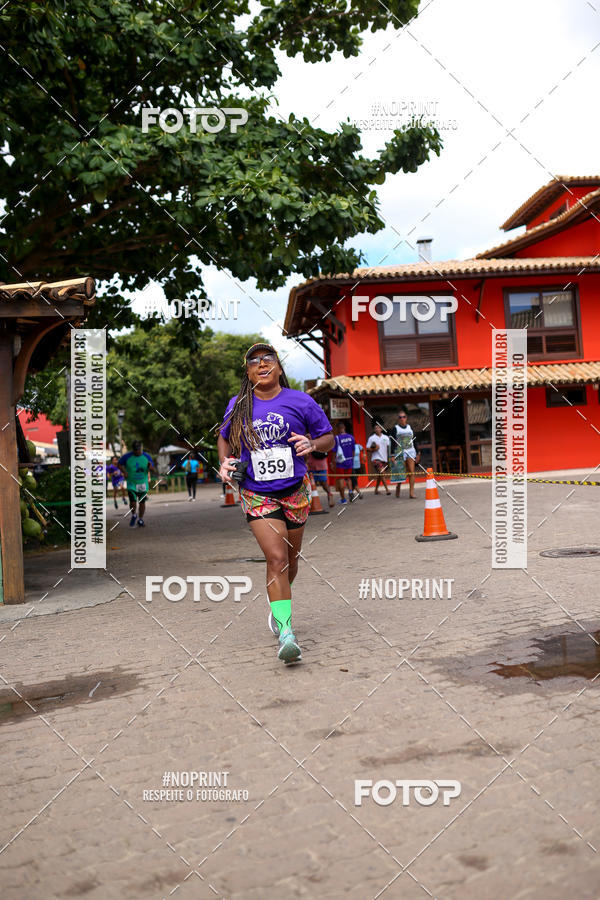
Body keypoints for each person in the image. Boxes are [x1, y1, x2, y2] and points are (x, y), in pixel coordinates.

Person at [218, 342, 334, 664]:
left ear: (279, 367)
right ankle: (286, 632)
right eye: (253, 361)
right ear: (248, 372)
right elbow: (224, 436)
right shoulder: (239, 404)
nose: (261, 363)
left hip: (295, 490)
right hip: (257, 492)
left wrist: (311, 443)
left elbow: (328, 437)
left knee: (291, 561)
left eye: (268, 358)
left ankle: (276, 603)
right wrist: (225, 462)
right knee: (276, 558)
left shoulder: (301, 401)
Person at [119, 441, 156, 527]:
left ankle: (140, 519)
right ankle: (134, 515)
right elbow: (119, 464)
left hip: (143, 483)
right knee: (132, 501)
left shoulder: (146, 456)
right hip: (131, 483)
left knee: (142, 502)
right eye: (135, 450)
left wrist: (151, 467)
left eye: (138, 450)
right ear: (133, 449)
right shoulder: (127, 456)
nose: (137, 452)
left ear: (141, 448)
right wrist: (124, 472)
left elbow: (152, 468)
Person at [391, 410, 418, 499]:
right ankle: (398, 486)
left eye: (404, 417)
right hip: (400, 452)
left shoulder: (410, 427)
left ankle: (411, 493)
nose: (402, 419)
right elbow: (392, 442)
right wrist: (392, 455)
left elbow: (414, 440)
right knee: (402, 472)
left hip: (410, 451)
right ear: (398, 419)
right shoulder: (395, 428)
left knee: (411, 472)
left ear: (406, 418)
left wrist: (418, 452)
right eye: (400, 417)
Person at [333, 421, 355, 504]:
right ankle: (350, 491)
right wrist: (351, 460)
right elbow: (353, 450)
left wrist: (333, 462)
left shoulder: (337, 438)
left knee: (341, 479)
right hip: (349, 460)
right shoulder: (351, 437)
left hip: (340, 462)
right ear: (344, 427)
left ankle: (343, 499)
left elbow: (334, 452)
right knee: (348, 478)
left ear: (338, 429)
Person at [366, 423, 391, 495]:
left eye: (379, 427)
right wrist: (374, 449)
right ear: (374, 430)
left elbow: (389, 448)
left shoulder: (386, 437)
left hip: (384, 459)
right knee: (382, 473)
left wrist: (390, 458)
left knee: (380, 475)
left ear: (381, 429)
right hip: (376, 459)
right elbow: (367, 449)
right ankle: (387, 490)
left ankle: (376, 490)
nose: (377, 429)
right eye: (376, 428)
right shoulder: (371, 438)